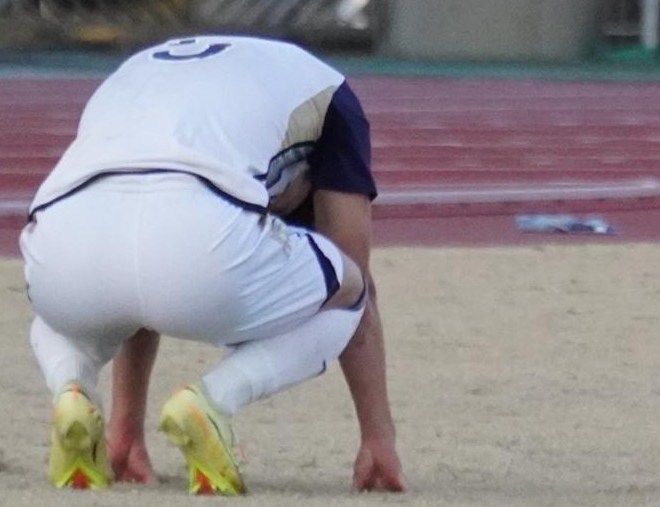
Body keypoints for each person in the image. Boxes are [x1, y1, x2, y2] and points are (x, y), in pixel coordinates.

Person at [20, 35, 405, 494]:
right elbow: (357, 288)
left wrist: (128, 431)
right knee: (350, 287)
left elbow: (138, 283)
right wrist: (378, 437)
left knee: (72, 304)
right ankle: (213, 400)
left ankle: (72, 387)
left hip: (63, 245)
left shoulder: (132, 72)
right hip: (199, 244)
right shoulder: (328, 93)